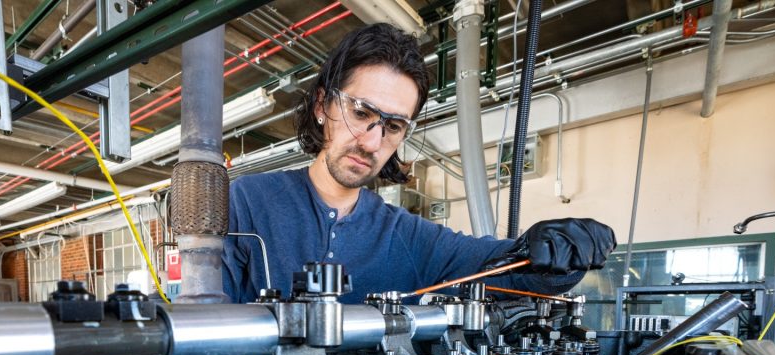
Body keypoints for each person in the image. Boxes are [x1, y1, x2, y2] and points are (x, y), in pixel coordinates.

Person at [222, 23, 615, 304]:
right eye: (361, 113)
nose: (372, 142)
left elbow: (507, 268)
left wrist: (554, 248)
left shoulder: (407, 238)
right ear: (323, 105)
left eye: (392, 126)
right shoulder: (247, 203)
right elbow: (201, 327)